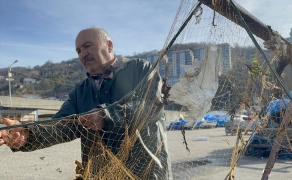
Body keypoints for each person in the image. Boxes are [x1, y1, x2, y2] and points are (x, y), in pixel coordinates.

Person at [0, 27, 172, 179]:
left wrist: (106, 116)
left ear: (109, 45)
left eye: (87, 46)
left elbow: (153, 106)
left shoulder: (138, 68)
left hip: (147, 174)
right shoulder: (80, 91)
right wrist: (27, 134)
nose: (83, 54)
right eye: (78, 51)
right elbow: (61, 125)